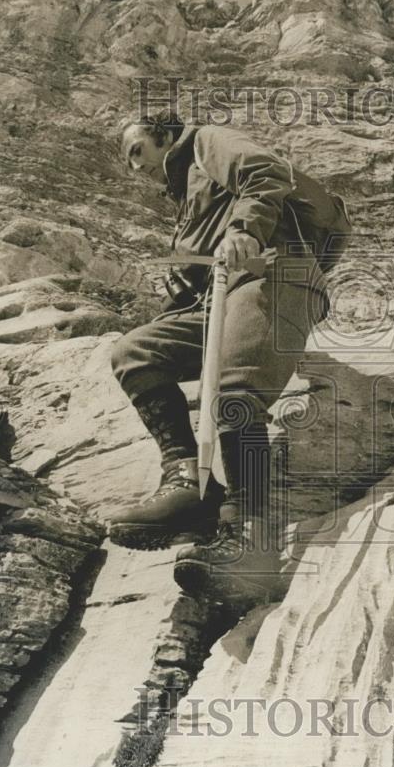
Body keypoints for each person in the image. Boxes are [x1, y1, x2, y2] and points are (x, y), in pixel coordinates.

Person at [108, 111, 351, 611]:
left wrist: (245, 229)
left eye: (137, 151)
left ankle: (251, 541)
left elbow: (267, 172)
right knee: (135, 352)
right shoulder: (185, 192)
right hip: (218, 297)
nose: (135, 169)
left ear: (166, 137)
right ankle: (187, 482)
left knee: (236, 393)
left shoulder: (206, 143)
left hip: (272, 274)